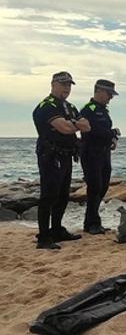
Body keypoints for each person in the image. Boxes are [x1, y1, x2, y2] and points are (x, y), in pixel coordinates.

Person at [32, 71, 90, 249]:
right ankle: (43, 237)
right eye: (63, 84)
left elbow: (87, 126)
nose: (66, 88)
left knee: (63, 195)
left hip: (66, 155)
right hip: (50, 155)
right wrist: (74, 124)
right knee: (48, 196)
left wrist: (70, 123)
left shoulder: (69, 107)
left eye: (69, 85)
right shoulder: (46, 106)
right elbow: (64, 128)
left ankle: (56, 229)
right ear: (53, 84)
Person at [80, 79, 120, 235]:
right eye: (109, 94)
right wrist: (112, 133)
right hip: (91, 152)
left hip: (104, 153)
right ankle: (92, 224)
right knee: (94, 186)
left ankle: (92, 221)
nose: (110, 98)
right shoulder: (88, 109)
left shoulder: (104, 110)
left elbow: (105, 130)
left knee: (103, 186)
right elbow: (91, 131)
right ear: (99, 91)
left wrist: (112, 138)